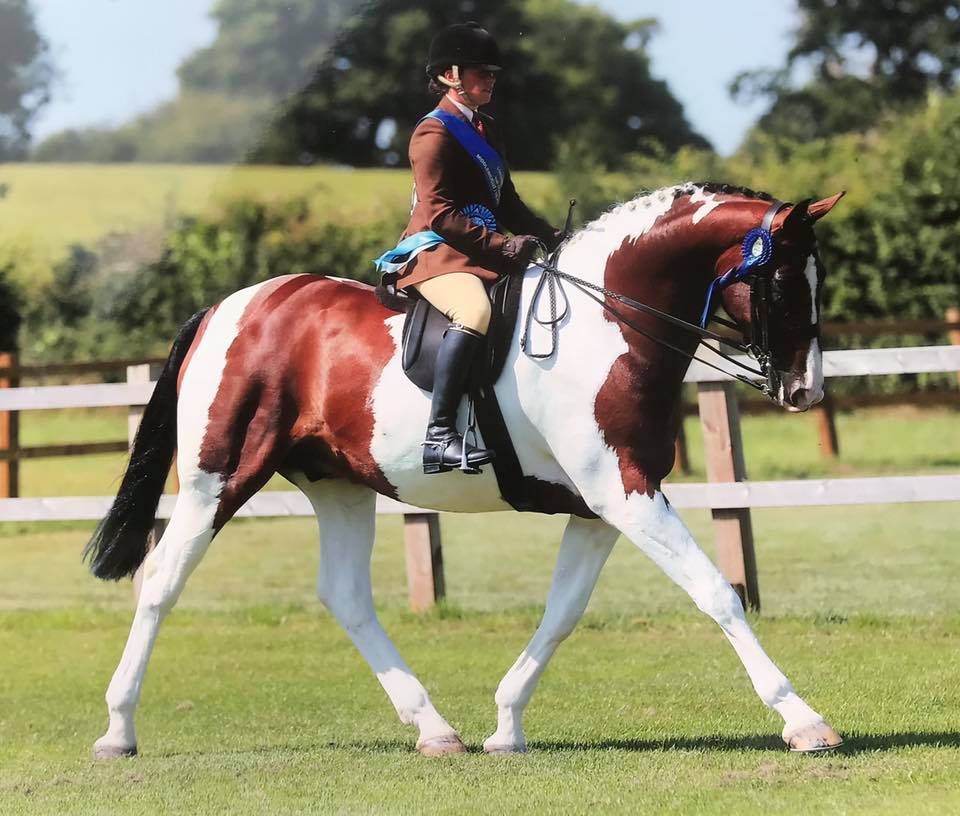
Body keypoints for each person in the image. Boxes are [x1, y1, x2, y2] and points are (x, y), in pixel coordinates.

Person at [376, 21, 564, 475]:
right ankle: (439, 434)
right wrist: (502, 244)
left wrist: (550, 236)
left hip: (479, 251)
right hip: (437, 254)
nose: (491, 78)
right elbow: (440, 214)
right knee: (474, 314)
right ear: (449, 76)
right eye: (480, 70)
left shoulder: (486, 129)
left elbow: (508, 201)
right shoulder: (433, 133)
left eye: (492, 71)